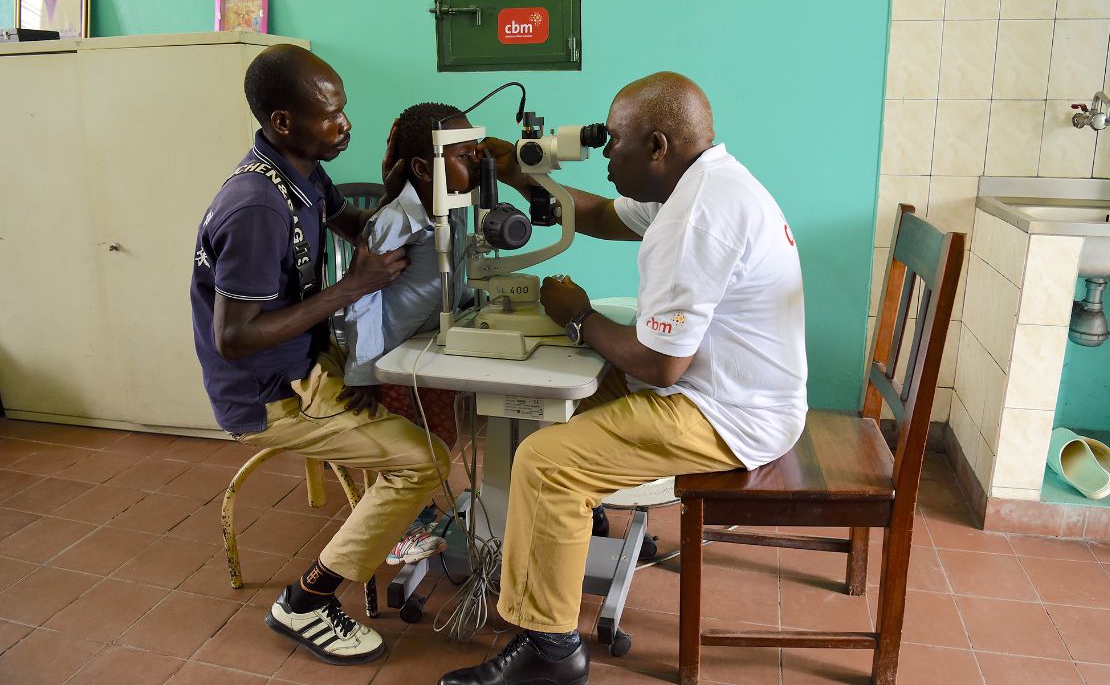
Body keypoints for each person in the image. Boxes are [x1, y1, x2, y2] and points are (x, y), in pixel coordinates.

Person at [438, 72, 808, 685]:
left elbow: (661, 364)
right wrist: (528, 174)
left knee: (546, 461)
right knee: (571, 402)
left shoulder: (697, 217)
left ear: (658, 146)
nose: (604, 153)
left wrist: (578, 316)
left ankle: (551, 650)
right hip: (732, 388)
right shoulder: (700, 180)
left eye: (613, 143)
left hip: (729, 413)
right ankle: (569, 530)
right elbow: (606, 214)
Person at [190, 44, 451, 666]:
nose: (345, 126)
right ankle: (307, 601)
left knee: (423, 395)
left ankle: (398, 522)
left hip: (306, 359)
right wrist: (354, 286)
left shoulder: (300, 169)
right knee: (426, 460)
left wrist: (409, 220)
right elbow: (236, 336)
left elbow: (346, 222)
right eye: (331, 116)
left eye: (345, 111)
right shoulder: (256, 205)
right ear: (284, 121)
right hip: (269, 390)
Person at [340, 100, 480, 564]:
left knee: (439, 436)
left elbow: (453, 273)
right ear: (424, 166)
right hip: (392, 355)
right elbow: (362, 299)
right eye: (465, 156)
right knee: (413, 447)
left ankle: (417, 510)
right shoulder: (396, 220)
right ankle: (400, 527)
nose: (476, 164)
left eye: (477, 153)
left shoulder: (456, 206)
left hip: (429, 344)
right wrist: (363, 372)